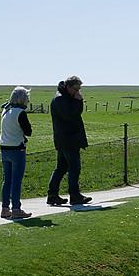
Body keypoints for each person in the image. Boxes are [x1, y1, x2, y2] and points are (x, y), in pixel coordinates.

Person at [46, 76, 89, 206]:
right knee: (74, 168)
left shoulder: (67, 97)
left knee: (61, 168)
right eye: (76, 89)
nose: (78, 92)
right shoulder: (60, 99)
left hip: (67, 138)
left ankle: (53, 195)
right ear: (68, 87)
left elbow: (76, 113)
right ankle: (74, 195)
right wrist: (77, 102)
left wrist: (78, 102)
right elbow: (69, 116)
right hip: (68, 139)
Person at [0, 86, 33, 220]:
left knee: (7, 180)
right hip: (17, 148)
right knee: (16, 180)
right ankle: (16, 208)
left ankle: (5, 208)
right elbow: (28, 131)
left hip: (4, 147)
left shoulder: (5, 110)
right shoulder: (20, 112)